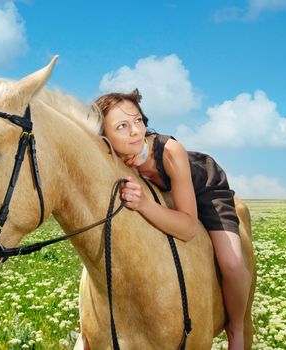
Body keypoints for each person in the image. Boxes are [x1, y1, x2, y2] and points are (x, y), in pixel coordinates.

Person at [94, 89, 251, 350]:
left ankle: (236, 328)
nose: (135, 131)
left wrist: (144, 204)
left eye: (138, 121)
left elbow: (188, 227)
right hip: (163, 192)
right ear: (104, 136)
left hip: (204, 187)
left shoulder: (169, 150)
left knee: (231, 262)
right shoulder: (109, 159)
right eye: (122, 126)